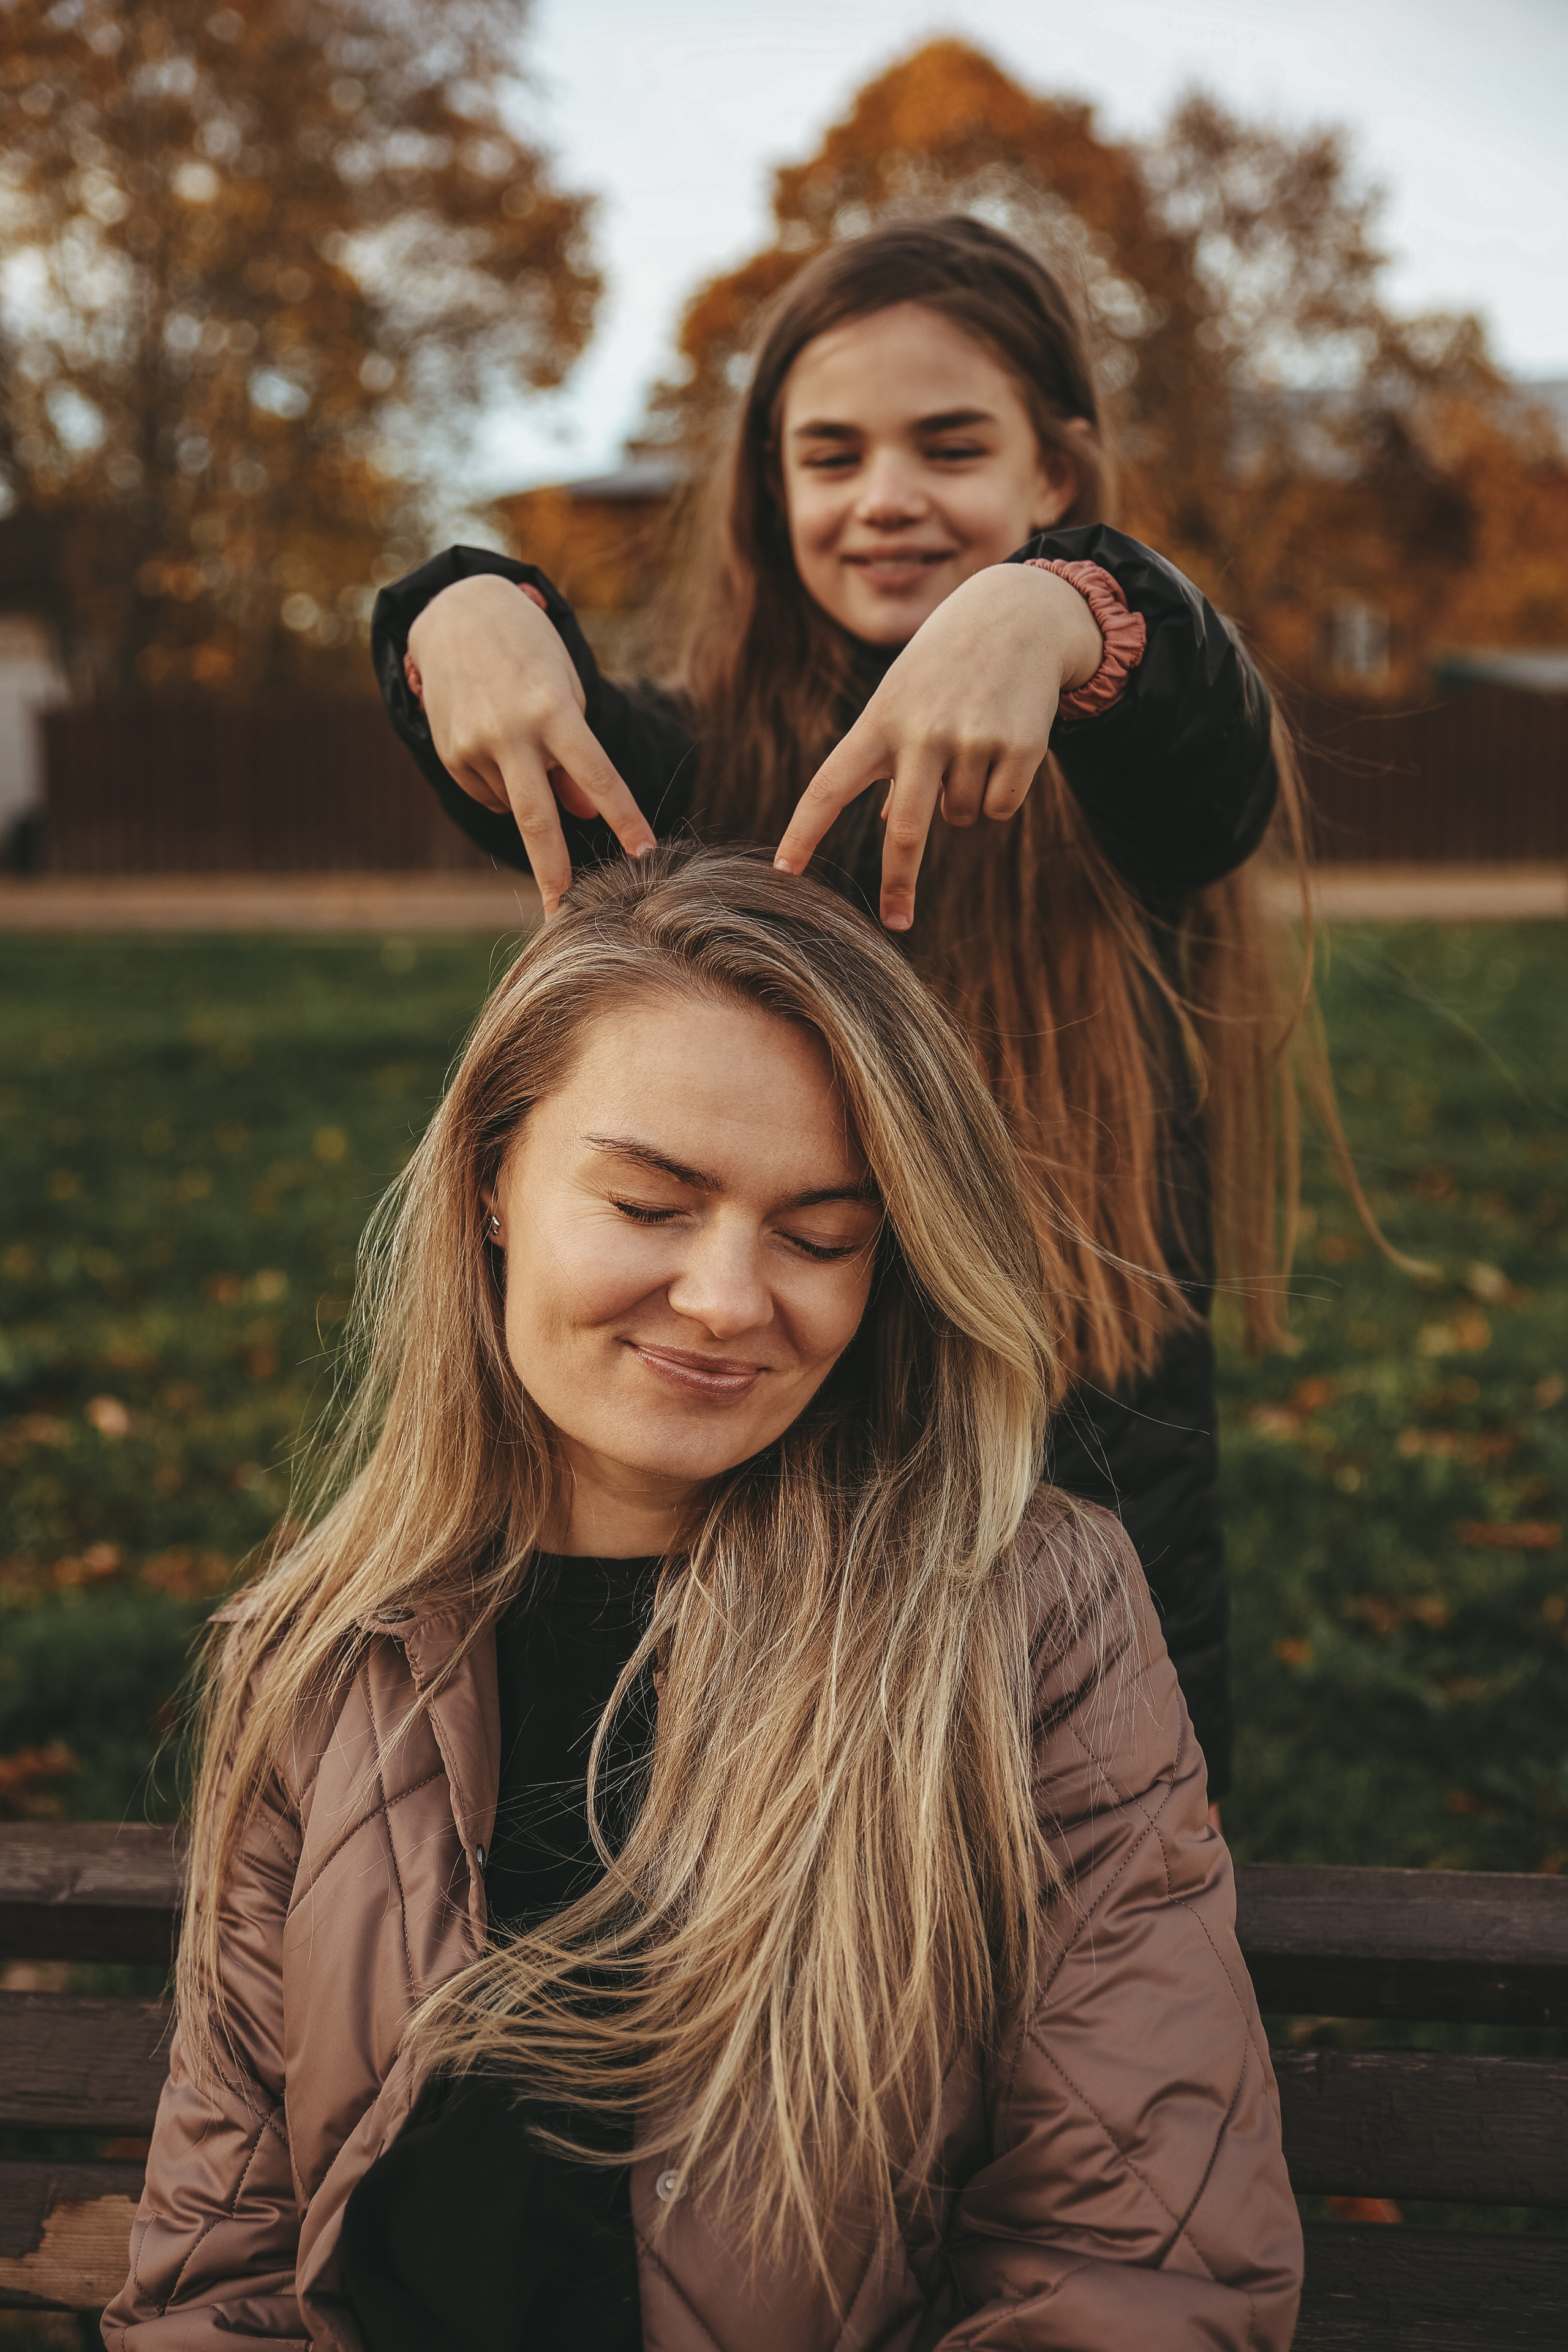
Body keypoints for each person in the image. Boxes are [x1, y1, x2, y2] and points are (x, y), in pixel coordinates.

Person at [105, 850, 1302, 2351]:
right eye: (652, 1203)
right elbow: (220, 2277)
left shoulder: (1022, 1621)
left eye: (819, 1238)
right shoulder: (321, 1656)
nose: (733, 1300)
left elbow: (1140, 2276)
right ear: (491, 1180)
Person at [369, 214, 1326, 1815]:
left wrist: (1065, 606)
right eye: (831, 456)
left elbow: (1204, 739)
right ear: (771, 491)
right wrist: (452, 611)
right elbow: (502, 699)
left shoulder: (1134, 792)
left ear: (1056, 465)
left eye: (950, 446)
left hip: (1081, 1577)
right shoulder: (693, 790)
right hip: (759, 1591)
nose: (885, 496)